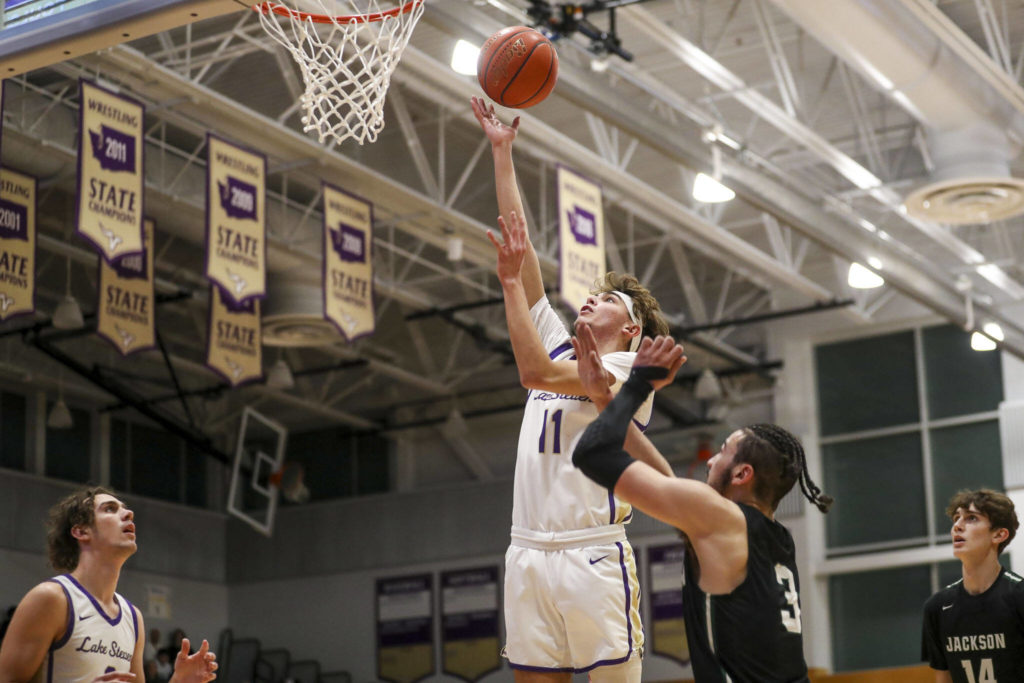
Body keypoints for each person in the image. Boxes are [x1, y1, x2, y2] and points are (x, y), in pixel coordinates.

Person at [474, 96, 674, 682]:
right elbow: (526, 255)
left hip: (591, 550)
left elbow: (532, 373)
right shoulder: (565, 348)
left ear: (631, 328)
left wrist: (509, 285)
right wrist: (502, 154)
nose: (591, 298)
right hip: (526, 548)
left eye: (608, 299)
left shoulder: (628, 371)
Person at [570, 325, 833, 683]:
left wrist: (640, 384)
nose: (710, 461)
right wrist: (605, 400)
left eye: (722, 453)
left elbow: (592, 454)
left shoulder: (723, 520)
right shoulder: (773, 535)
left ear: (742, 474)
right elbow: (668, 486)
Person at [0, 486, 218, 683]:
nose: (128, 513)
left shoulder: (133, 618)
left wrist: (179, 681)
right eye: (110, 509)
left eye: (125, 509)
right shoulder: (52, 599)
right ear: (81, 531)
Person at [921, 489, 1024, 683]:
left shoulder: (1019, 596)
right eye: (956, 518)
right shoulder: (937, 608)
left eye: (971, 518)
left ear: (999, 534)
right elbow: (943, 677)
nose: (957, 526)